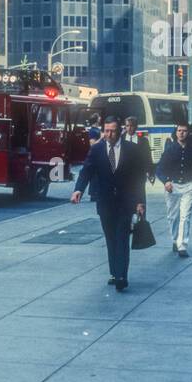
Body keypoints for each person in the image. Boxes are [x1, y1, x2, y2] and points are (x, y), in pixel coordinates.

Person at [69, 117, 148, 292]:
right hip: (105, 202)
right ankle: (114, 272)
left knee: (122, 238)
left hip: (125, 202)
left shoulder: (131, 149)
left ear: (120, 131)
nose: (109, 134)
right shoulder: (97, 149)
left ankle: (121, 276)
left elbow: (138, 178)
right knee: (111, 238)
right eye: (106, 131)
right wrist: (78, 189)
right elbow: (86, 171)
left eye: (112, 131)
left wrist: (140, 202)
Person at [156, 122, 192, 258]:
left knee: (185, 216)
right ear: (176, 133)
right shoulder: (170, 150)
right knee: (173, 216)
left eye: (184, 131)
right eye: (179, 130)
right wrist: (166, 181)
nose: (182, 133)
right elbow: (159, 169)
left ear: (188, 133)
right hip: (172, 186)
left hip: (189, 186)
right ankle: (175, 240)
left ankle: (182, 245)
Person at [122, 116, 157, 184]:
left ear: (136, 127)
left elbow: (148, 158)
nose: (129, 128)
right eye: (127, 126)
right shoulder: (120, 139)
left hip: (139, 176)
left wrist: (150, 172)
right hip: (124, 176)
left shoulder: (143, 141)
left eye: (132, 126)